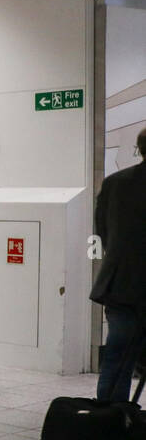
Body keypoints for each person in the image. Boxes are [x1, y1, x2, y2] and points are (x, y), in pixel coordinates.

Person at [90, 126, 146, 402]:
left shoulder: (114, 182)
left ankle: (109, 425)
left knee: (116, 359)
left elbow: (102, 231)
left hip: (120, 284)